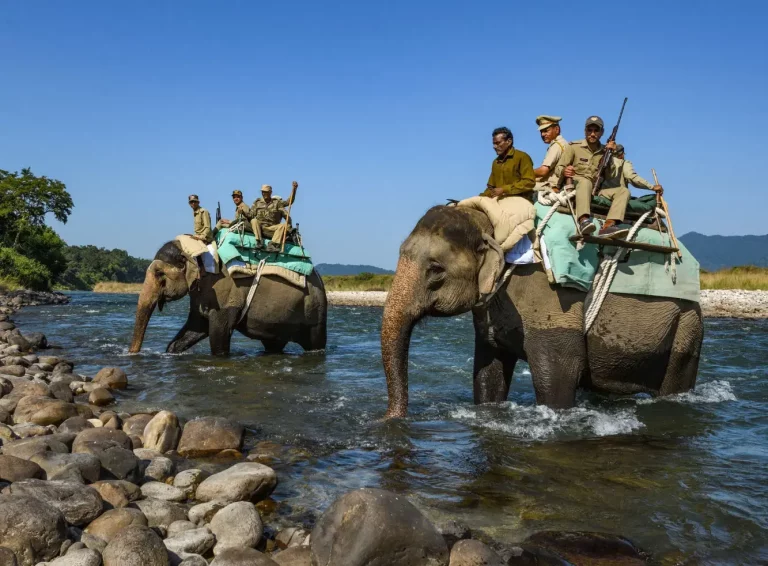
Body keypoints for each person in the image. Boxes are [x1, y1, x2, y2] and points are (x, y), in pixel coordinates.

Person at [457, 127, 536, 253]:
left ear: (509, 141)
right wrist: (477, 199)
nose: (494, 146)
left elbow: (530, 182)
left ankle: (501, 248)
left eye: (498, 143)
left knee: (504, 229)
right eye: (493, 143)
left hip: (521, 201)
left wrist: (505, 190)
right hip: (499, 201)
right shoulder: (496, 162)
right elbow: (491, 189)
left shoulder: (522, 157)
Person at [555, 116, 627, 238]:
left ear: (602, 132)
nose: (592, 134)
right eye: (589, 130)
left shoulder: (605, 151)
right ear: (585, 131)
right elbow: (558, 168)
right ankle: (583, 220)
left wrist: (611, 155)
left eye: (596, 131)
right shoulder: (574, 147)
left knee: (623, 191)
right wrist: (564, 171)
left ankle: (609, 225)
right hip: (578, 185)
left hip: (597, 189)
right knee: (585, 182)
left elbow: (610, 177)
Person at [249, 183, 296, 252]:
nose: (264, 194)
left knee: (283, 225)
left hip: (272, 228)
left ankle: (272, 245)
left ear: (270, 192)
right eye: (263, 192)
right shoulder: (257, 202)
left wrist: (294, 190)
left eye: (266, 192)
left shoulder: (277, 203)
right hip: (260, 228)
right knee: (254, 220)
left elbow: (289, 202)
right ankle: (259, 242)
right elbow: (250, 215)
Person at [533, 115, 567, 190]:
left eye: (546, 131)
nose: (542, 134)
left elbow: (543, 171)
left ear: (557, 129)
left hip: (551, 187)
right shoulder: (562, 143)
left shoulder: (557, 145)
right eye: (541, 131)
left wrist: (524, 173)